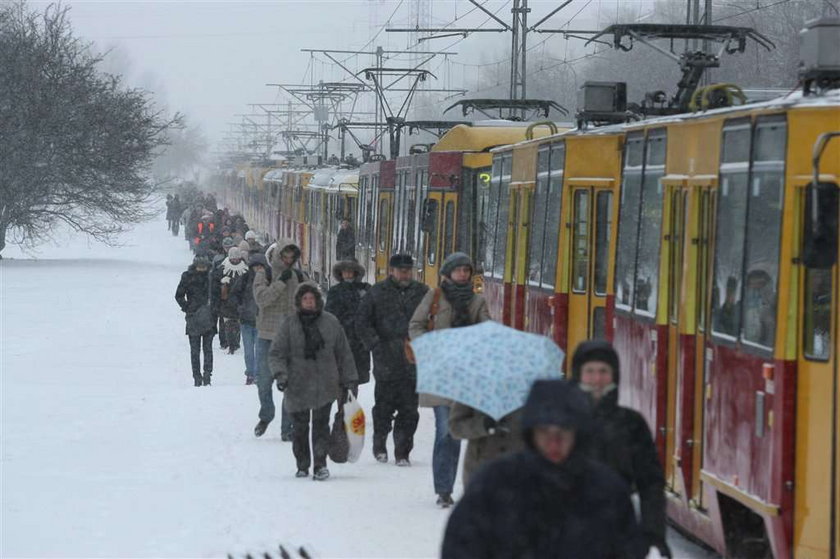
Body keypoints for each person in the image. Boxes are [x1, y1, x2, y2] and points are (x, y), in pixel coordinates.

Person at [442, 379, 645, 559]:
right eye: (545, 432)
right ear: (532, 432)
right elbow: (462, 547)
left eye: (562, 432)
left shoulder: (606, 491)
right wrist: (484, 424)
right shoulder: (491, 485)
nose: (554, 443)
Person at [570, 339, 670, 559]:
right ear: (578, 374)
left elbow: (651, 484)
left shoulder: (631, 424)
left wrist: (654, 536)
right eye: (590, 371)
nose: (597, 379)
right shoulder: (561, 422)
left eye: (603, 371)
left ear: (614, 375)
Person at [408, 252, 491, 508]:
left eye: (467, 271)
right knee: (445, 431)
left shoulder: (477, 302)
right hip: (441, 374)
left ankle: (465, 485)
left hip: (466, 377)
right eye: (459, 271)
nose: (463, 275)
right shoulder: (434, 297)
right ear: (448, 273)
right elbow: (415, 326)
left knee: (460, 434)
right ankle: (443, 489)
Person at [269, 283, 358, 480]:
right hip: (297, 385)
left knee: (321, 426)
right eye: (305, 299)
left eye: (312, 299)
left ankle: (320, 465)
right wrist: (280, 375)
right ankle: (302, 465)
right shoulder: (289, 324)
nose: (309, 303)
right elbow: (277, 353)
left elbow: (343, 353)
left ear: (318, 301)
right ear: (299, 302)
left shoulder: (331, 322)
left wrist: (350, 380)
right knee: (300, 428)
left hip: (325, 384)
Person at [357, 253, 428, 466]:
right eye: (401, 270)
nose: (405, 274)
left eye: (409, 270)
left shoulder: (422, 293)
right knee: (383, 407)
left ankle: (402, 451)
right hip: (385, 358)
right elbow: (362, 322)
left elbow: (431, 321)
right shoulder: (377, 293)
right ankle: (379, 444)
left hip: (412, 360)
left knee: (409, 410)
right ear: (391, 271)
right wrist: (375, 344)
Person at [252, 244, 305, 440]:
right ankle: (266, 414)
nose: (288, 261)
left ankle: (287, 428)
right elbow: (262, 299)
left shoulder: (299, 276)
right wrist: (280, 283)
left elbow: (310, 300)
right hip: (267, 336)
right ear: (278, 256)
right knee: (264, 382)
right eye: (285, 257)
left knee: (290, 384)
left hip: (291, 337)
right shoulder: (263, 273)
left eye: (292, 257)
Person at [325, 260, 371, 389]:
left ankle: (348, 407)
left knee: (353, 380)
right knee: (341, 378)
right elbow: (330, 315)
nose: (348, 274)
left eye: (351, 271)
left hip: (359, 342)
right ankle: (343, 408)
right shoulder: (335, 292)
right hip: (342, 340)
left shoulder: (365, 290)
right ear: (341, 273)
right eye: (345, 271)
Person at [175, 255, 217, 387]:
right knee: (195, 349)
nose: (201, 269)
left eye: (203, 267)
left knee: (207, 348)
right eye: (199, 266)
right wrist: (187, 307)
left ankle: (207, 374)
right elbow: (179, 295)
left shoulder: (211, 277)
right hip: (194, 316)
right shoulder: (188, 276)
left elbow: (216, 295)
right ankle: (197, 376)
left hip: (208, 316)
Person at [229, 252, 262, 385]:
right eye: (256, 266)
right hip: (246, 321)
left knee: (259, 351)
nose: (258, 269)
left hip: (261, 321)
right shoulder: (245, 278)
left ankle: (258, 374)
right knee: (249, 351)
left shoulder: (268, 279)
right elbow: (234, 295)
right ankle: (250, 373)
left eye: (260, 266)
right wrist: (240, 308)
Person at [214, 246, 248, 354]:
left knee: (237, 323)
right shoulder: (222, 268)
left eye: (237, 258)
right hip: (225, 300)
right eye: (233, 258)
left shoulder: (245, 270)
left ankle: (236, 343)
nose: (235, 260)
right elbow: (214, 283)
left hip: (239, 300)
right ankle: (225, 342)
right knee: (225, 323)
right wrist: (221, 283)